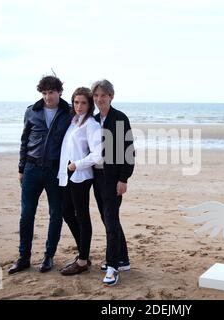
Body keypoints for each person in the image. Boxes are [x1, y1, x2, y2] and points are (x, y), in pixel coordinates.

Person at [9, 75, 71, 274]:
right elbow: (24, 141)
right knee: (27, 214)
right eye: (44, 93)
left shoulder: (69, 112)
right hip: (31, 169)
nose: (47, 97)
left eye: (51, 92)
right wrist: (21, 168)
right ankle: (24, 257)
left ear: (59, 92)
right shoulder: (32, 111)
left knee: (56, 214)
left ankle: (48, 256)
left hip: (55, 171)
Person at [91, 79, 135, 286]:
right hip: (96, 177)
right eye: (96, 96)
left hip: (113, 178)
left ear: (111, 97)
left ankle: (112, 266)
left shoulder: (119, 118)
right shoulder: (92, 120)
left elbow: (128, 150)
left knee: (110, 220)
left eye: (103, 95)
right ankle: (123, 259)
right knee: (109, 219)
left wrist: (123, 179)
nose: (100, 99)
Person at [57, 87, 103, 276]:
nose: (79, 106)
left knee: (82, 216)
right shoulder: (74, 122)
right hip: (67, 175)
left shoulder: (91, 125)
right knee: (67, 213)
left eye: (83, 102)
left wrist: (77, 164)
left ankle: (83, 260)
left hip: (81, 176)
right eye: (76, 102)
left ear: (90, 104)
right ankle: (83, 254)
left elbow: (98, 155)